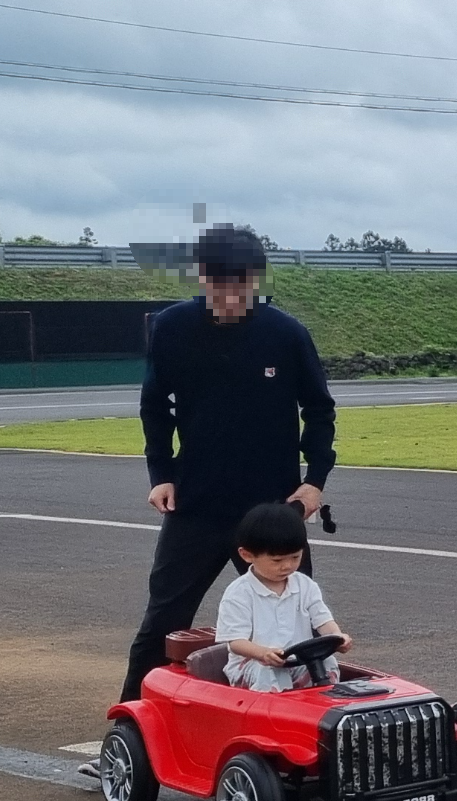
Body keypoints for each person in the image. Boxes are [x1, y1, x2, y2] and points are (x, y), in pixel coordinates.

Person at [120, 224, 337, 701]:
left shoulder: (285, 333)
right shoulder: (172, 328)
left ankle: (306, 736)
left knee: (295, 626)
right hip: (195, 503)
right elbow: (155, 406)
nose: (234, 295)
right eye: (222, 285)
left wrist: (315, 480)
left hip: (272, 510)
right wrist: (161, 474)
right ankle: (128, 735)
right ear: (202, 277)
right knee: (163, 624)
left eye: (244, 284)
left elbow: (319, 409)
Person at [214, 501, 350, 690]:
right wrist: (263, 653)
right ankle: (277, 715)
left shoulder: (305, 585)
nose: (287, 566)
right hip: (253, 664)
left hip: (297, 660)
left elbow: (323, 620)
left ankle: (325, 706)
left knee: (327, 662)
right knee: (270, 671)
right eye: (277, 560)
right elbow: (236, 642)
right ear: (247, 555)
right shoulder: (239, 593)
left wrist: (337, 636)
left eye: (295, 557)